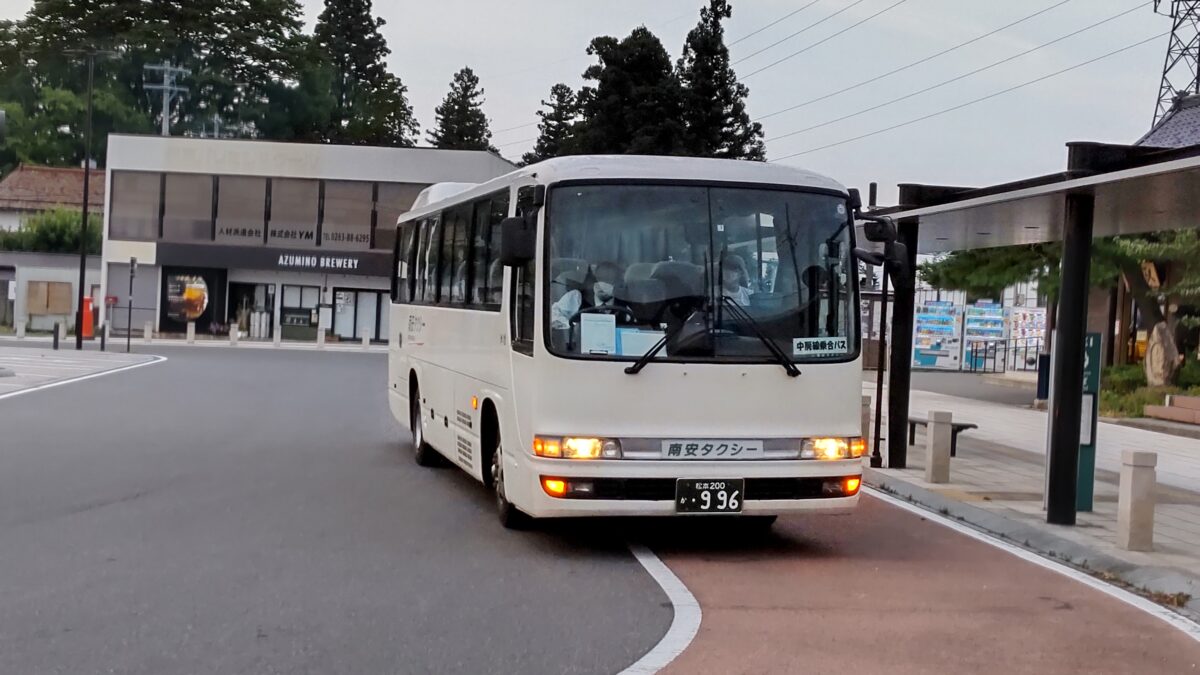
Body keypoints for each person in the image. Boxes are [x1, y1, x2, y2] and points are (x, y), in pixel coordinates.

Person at [550, 261, 624, 329]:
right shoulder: (576, 297)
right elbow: (553, 315)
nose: (602, 285)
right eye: (600, 279)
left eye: (608, 280)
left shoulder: (624, 306)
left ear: (617, 283)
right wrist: (571, 325)